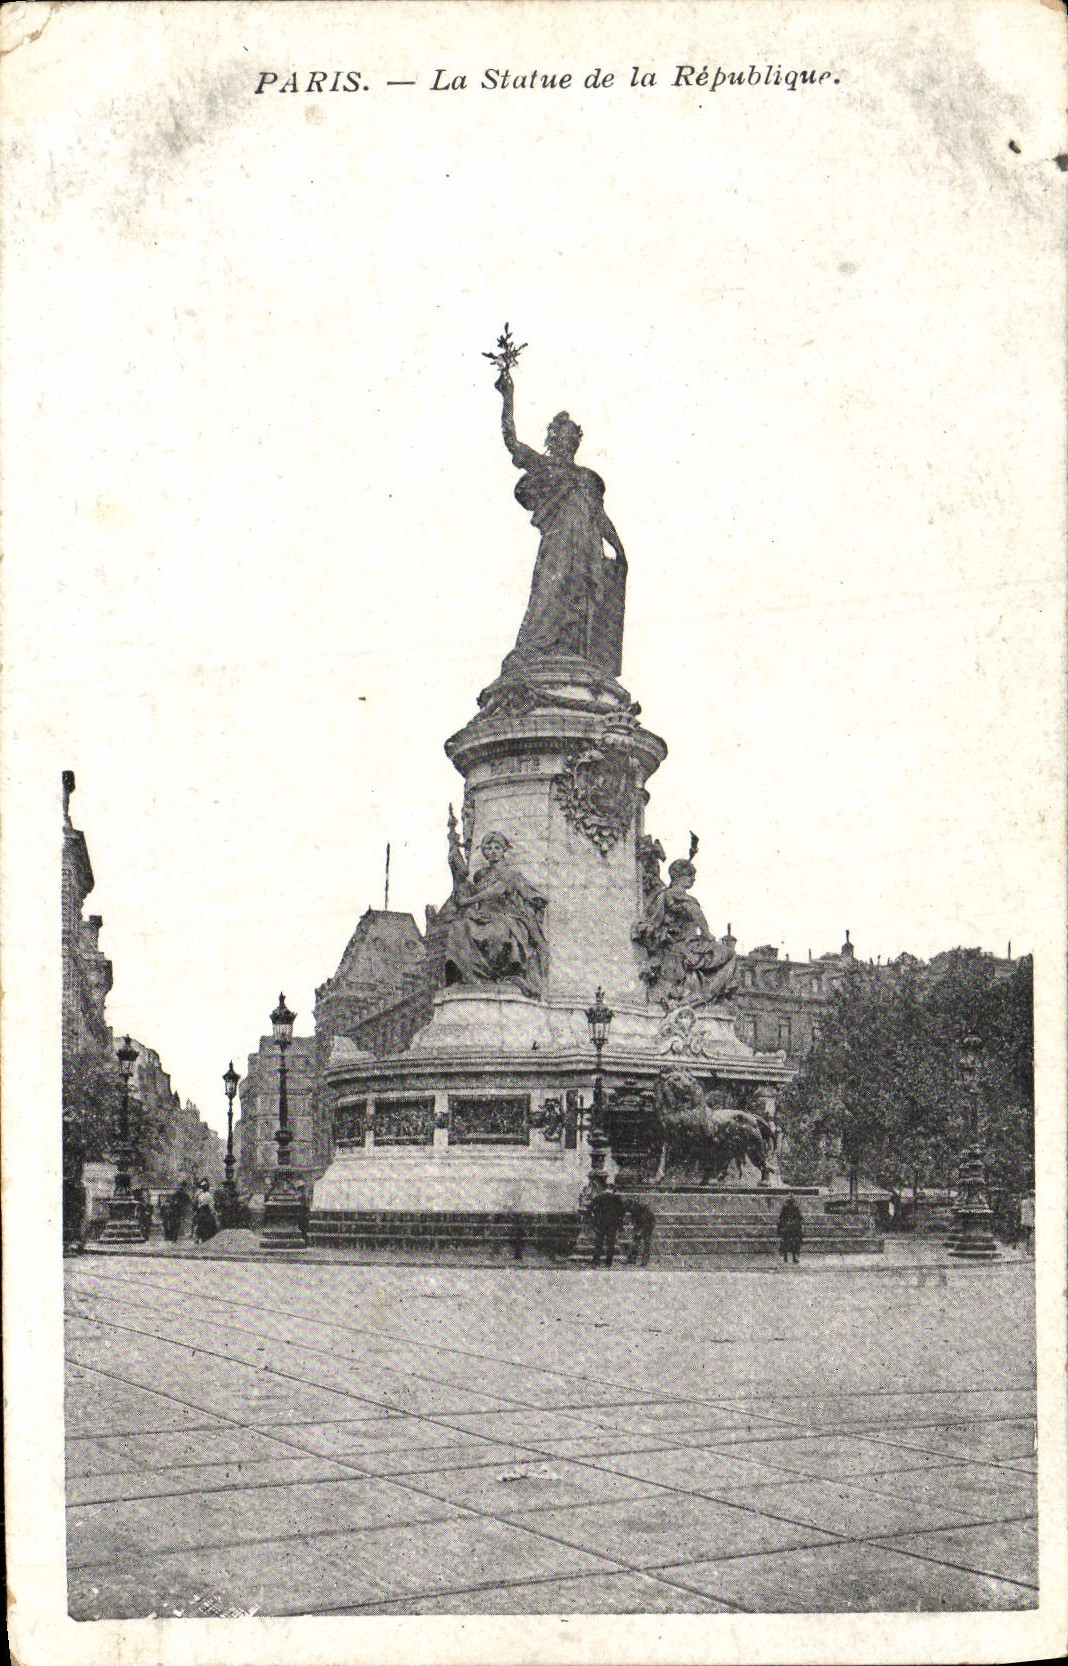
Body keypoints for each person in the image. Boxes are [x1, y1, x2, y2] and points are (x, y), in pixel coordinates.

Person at [495, 365, 627, 676]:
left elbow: (599, 515)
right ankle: (538, 652)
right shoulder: (546, 467)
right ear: (555, 439)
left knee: (584, 601)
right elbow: (512, 443)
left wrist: (619, 547)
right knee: (549, 595)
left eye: (574, 436)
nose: (570, 441)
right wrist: (507, 397)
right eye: (565, 435)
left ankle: (575, 656)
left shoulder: (586, 478)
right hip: (558, 543)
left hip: (587, 546)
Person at [443, 830, 549, 997]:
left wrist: (469, 901)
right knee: (458, 928)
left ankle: (497, 974)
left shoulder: (508, 873)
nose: (492, 851)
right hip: (483, 915)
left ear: (503, 850)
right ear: (484, 852)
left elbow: (496, 891)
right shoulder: (481, 875)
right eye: (488, 848)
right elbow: (466, 889)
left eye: (496, 848)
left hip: (506, 916)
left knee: (497, 932)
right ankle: (470, 977)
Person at [585, 1179, 628, 1268]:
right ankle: (608, 1262)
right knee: (610, 1243)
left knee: (599, 1242)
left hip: (601, 1223)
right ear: (612, 1190)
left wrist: (594, 1218)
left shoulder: (600, 1197)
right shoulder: (617, 1199)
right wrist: (619, 1221)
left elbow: (590, 1207)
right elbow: (622, 1211)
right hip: (612, 1224)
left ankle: (596, 1260)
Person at [624, 1199, 656, 1266]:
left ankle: (641, 1261)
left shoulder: (640, 1211)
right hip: (643, 1228)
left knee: (643, 1245)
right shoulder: (638, 1210)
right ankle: (633, 1259)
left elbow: (646, 1221)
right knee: (637, 1244)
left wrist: (639, 1230)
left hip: (645, 1228)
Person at [777, 1196, 804, 1265]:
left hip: (793, 1228)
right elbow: (781, 1218)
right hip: (788, 1228)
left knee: (793, 1242)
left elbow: (799, 1218)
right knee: (787, 1242)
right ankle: (787, 1257)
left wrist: (793, 1223)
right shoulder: (786, 1208)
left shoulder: (795, 1208)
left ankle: (792, 1257)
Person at [192, 1179, 218, 1244]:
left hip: (200, 1211)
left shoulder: (200, 1195)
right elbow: (211, 1206)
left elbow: (197, 1204)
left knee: (197, 1224)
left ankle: (197, 1237)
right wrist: (214, 1213)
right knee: (212, 1224)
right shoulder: (209, 1195)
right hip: (207, 1211)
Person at [1019, 1193, 1034, 1257]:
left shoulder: (1023, 1202)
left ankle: (1024, 1253)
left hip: (1023, 1221)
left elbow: (1020, 1210)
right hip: (1030, 1222)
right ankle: (1029, 1251)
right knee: (1030, 1236)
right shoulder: (1032, 1202)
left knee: (1024, 1236)